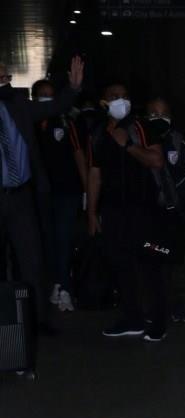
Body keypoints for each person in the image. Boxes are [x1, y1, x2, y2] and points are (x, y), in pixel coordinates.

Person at [0, 57, 83, 330]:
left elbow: (54, 106)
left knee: (31, 259)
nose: (6, 81)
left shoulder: (18, 105)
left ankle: (38, 320)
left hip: (20, 195)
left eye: (7, 77)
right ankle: (6, 322)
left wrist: (73, 88)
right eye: (1, 77)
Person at [87, 82, 166, 339]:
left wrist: (128, 145)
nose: (121, 101)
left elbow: (157, 160)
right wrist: (92, 212)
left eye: (125, 96)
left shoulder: (139, 127)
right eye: (115, 97)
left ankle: (158, 320)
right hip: (113, 209)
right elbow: (95, 174)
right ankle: (133, 317)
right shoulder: (98, 133)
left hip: (143, 207)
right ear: (104, 102)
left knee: (149, 263)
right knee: (120, 263)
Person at [32, 79, 87, 313]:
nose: (46, 98)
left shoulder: (66, 121)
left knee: (64, 238)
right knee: (49, 239)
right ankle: (57, 282)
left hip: (68, 191)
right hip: (40, 192)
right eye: (42, 94)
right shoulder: (29, 122)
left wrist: (87, 189)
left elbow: (79, 154)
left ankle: (65, 288)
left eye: (50, 94)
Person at [144, 96, 185, 323]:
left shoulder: (180, 142)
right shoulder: (140, 142)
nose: (158, 118)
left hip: (178, 212)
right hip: (151, 212)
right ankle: (156, 305)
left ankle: (179, 305)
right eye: (153, 114)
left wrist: (173, 194)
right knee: (152, 256)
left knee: (180, 259)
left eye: (162, 113)